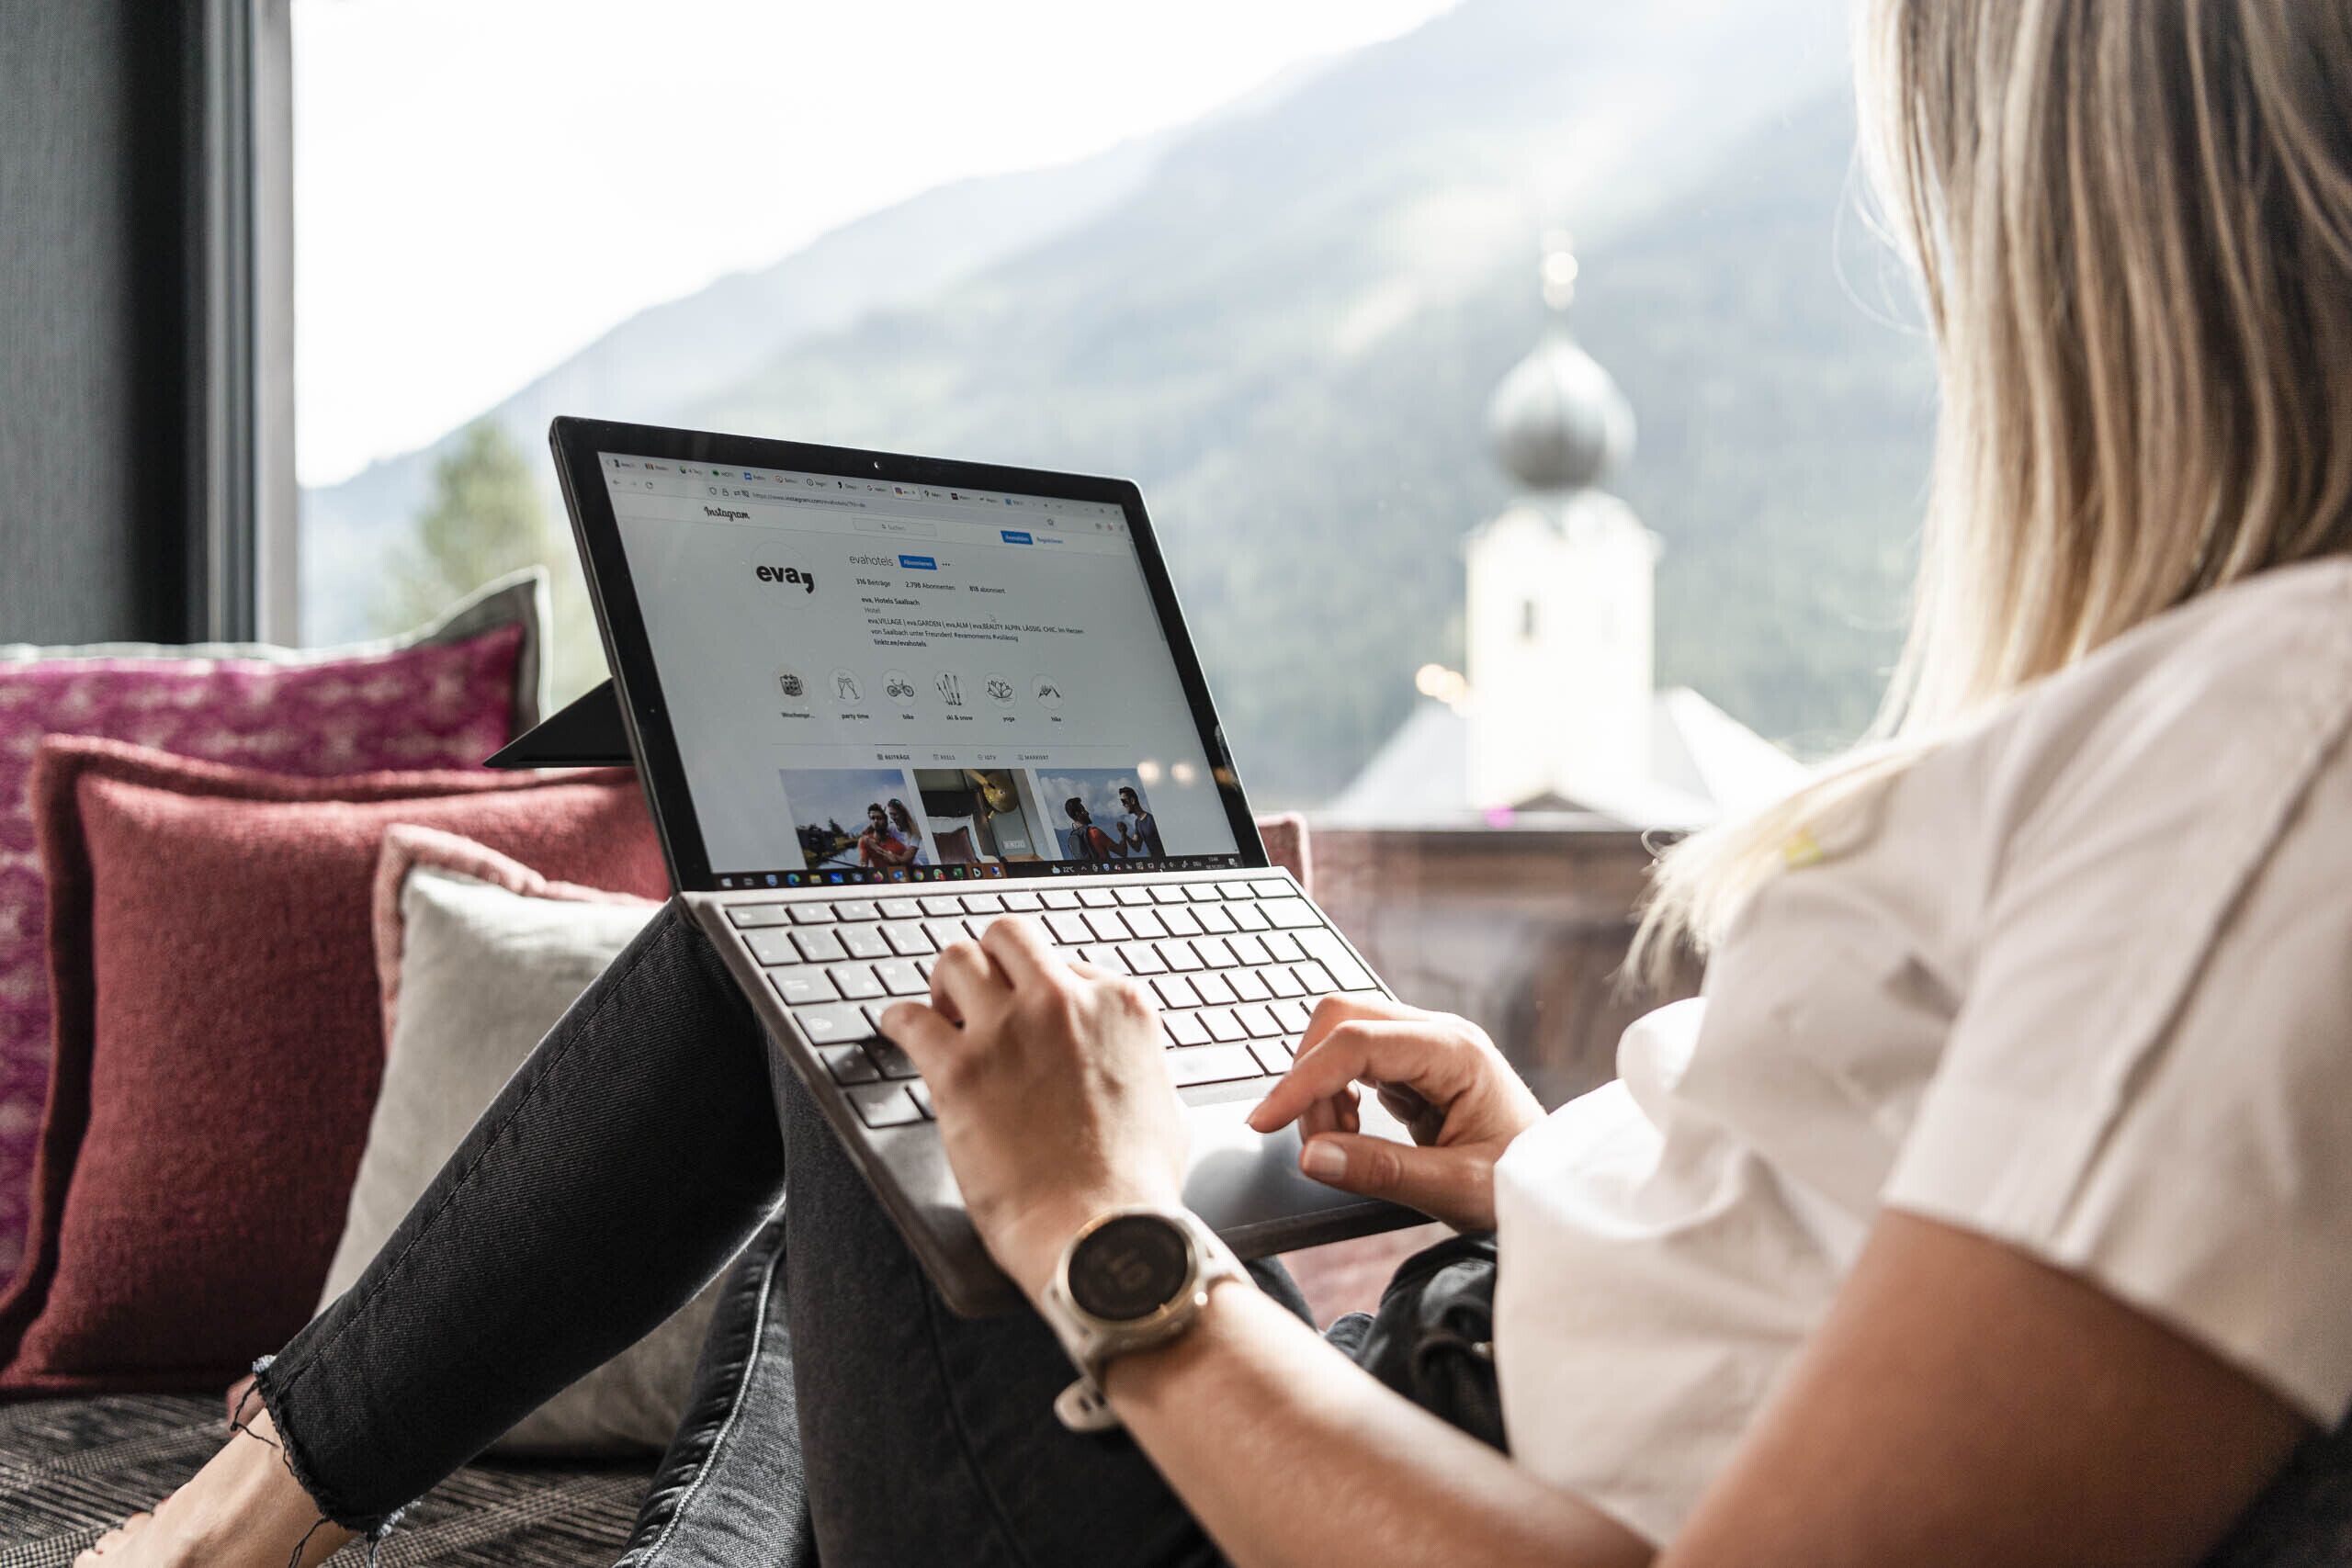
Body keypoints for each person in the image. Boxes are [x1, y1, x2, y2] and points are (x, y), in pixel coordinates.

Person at [82, 3, 2352, 1564]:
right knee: (884, 980)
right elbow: (1882, 1278)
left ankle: (245, 1503)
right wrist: (1548, 1177)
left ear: (2080, 208)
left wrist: (1102, 1229)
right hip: (1447, 1367)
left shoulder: (2275, 755)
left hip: (1309, 1496)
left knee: (814, 958)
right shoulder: (2236, 718)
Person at [854, 802, 914, 869]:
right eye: (873, 818)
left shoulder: (899, 846)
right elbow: (863, 861)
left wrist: (897, 862)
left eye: (879, 818)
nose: (876, 821)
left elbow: (909, 867)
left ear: (885, 820)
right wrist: (863, 865)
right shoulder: (864, 841)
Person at [1063, 795, 1120, 863]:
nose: (1087, 812)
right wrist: (1123, 833)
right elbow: (1122, 852)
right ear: (1078, 814)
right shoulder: (1094, 832)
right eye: (1083, 810)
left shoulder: (1073, 838)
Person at [1114, 784, 1164, 861]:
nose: (1123, 804)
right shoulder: (1137, 822)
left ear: (1132, 801)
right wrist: (1123, 833)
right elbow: (1137, 846)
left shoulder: (1152, 820)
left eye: (1124, 801)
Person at [886, 798, 930, 867]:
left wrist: (886, 854)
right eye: (891, 814)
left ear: (903, 814)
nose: (893, 817)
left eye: (895, 814)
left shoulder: (914, 831)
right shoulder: (890, 828)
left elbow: (906, 859)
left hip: (915, 867)